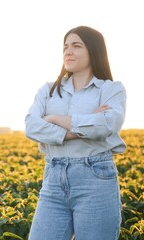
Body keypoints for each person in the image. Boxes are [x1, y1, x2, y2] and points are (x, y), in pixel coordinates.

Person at [24, 25, 127, 240]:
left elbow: (107, 125)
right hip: (53, 178)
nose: (68, 52)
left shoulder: (111, 89)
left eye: (76, 46)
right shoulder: (48, 89)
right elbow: (31, 126)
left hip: (95, 178)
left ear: (94, 50)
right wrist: (77, 130)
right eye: (65, 47)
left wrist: (54, 120)